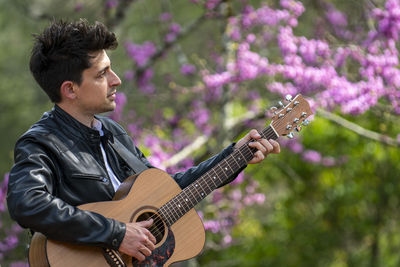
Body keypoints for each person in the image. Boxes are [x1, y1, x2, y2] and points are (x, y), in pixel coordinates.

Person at [6, 19, 280, 262]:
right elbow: (28, 203)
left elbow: (167, 194)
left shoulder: (114, 134)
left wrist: (236, 155)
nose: (116, 80)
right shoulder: (41, 143)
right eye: (102, 74)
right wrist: (117, 233)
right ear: (70, 89)